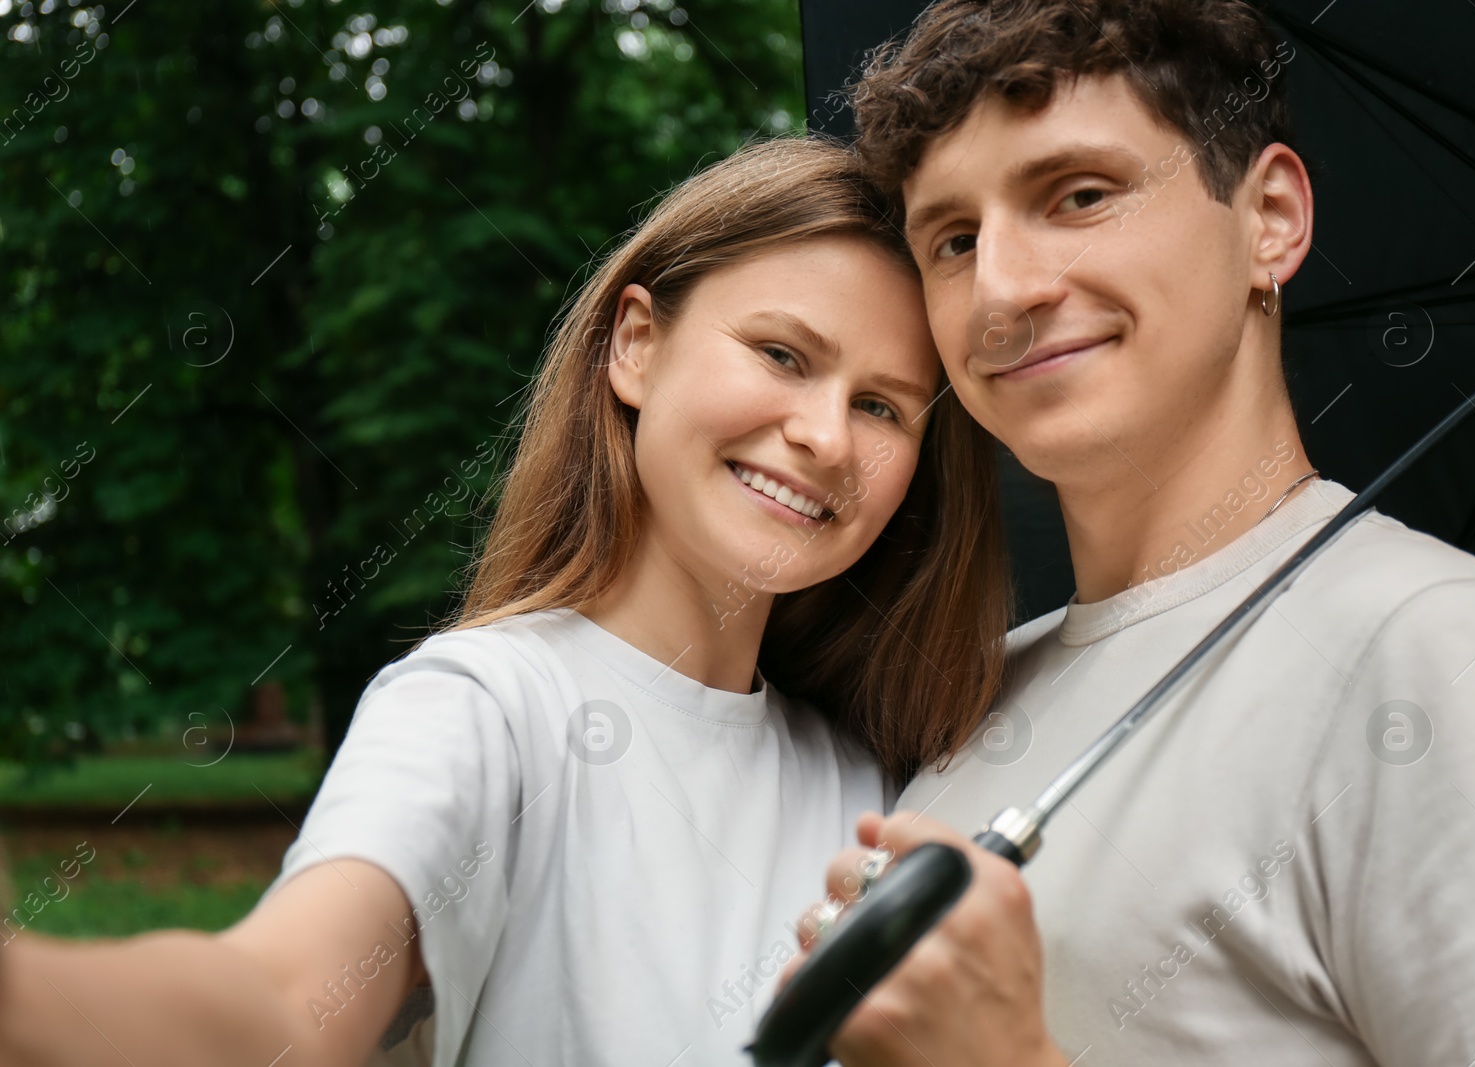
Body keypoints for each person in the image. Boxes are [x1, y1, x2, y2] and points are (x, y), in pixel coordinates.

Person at [0, 136, 1014, 1067]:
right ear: (636, 346)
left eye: (881, 406)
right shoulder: (481, 704)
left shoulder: (879, 778)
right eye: (783, 355)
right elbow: (281, 1002)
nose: (827, 438)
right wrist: (27, 990)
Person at [788, 1, 1475, 1064]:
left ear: (1268, 215)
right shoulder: (965, 700)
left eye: (1078, 195)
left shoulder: (1447, 660)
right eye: (951, 239)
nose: (999, 293)